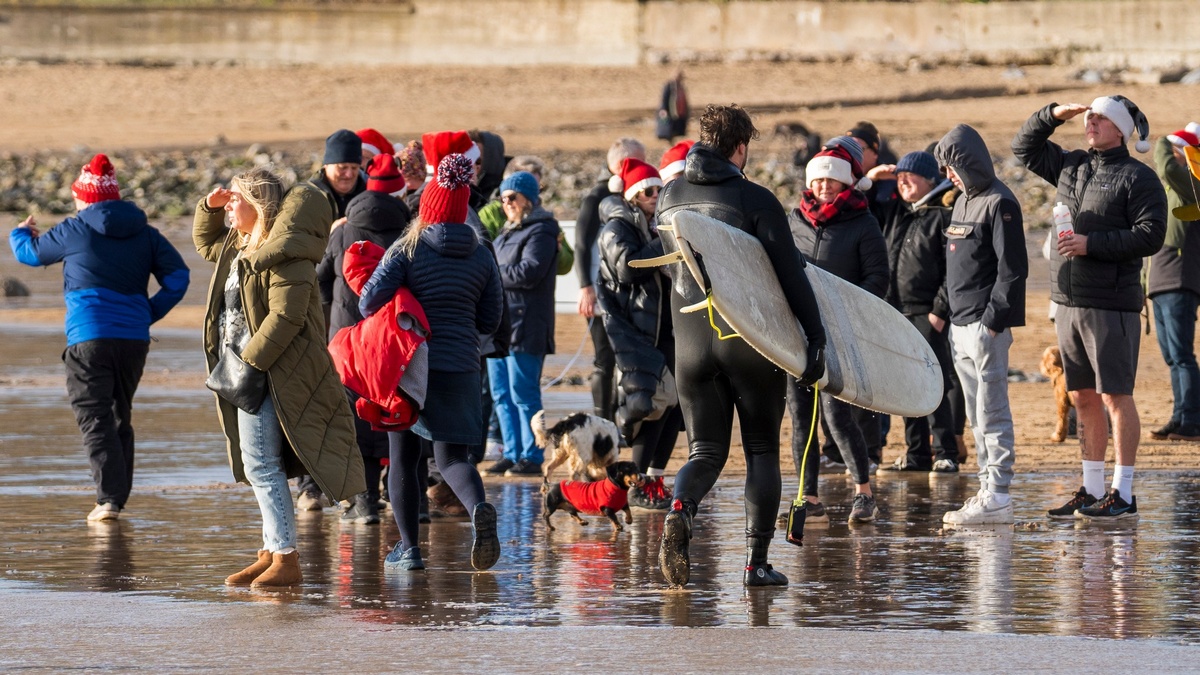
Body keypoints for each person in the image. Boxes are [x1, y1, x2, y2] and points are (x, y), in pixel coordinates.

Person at [656, 104, 825, 587]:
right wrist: (815, 337)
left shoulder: (670, 195)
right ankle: (755, 565)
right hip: (746, 341)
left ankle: (681, 508)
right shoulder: (756, 199)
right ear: (740, 148)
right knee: (761, 451)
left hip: (689, 343)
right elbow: (790, 274)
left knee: (705, 451)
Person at [194, 168, 364, 587]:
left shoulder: (285, 253)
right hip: (245, 368)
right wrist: (208, 207)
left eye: (236, 198)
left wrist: (249, 364)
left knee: (263, 466)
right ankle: (271, 550)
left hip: (270, 372)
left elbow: (286, 317)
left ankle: (286, 558)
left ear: (259, 205)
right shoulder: (240, 244)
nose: (230, 204)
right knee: (257, 465)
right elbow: (204, 243)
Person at [9, 153, 189, 521]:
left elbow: (28, 255)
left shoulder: (73, 229)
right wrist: (147, 313)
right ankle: (115, 500)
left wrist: (20, 231)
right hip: (133, 341)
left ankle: (108, 500)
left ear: (85, 198)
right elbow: (179, 278)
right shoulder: (147, 233)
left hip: (89, 338)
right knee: (119, 414)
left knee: (94, 416)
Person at [1012, 96, 1166, 520]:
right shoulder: (1071, 165)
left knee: (1115, 396)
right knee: (1081, 396)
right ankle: (1091, 487)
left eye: (1101, 118)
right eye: (1090, 116)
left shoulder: (1139, 177)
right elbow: (1022, 148)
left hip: (1111, 303)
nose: (1091, 122)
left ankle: (1124, 492)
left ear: (1120, 129)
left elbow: (1152, 235)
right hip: (1068, 300)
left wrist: (1090, 245)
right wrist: (1053, 114)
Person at [359, 154, 504, 571]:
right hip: (461, 365)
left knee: (403, 455)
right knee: (454, 458)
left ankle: (409, 549)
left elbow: (369, 300)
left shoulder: (407, 248)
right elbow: (490, 319)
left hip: (411, 366)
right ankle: (477, 508)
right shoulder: (482, 254)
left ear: (428, 206)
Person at [786, 139, 887, 524]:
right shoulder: (794, 220)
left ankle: (864, 493)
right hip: (796, 333)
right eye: (818, 180)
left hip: (841, 334)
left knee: (836, 414)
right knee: (800, 416)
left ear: (846, 184)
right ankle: (807, 499)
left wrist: (851, 312)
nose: (824, 186)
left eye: (832, 180)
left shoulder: (863, 223)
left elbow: (878, 278)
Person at [935, 123, 1027, 526]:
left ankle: (1000, 492)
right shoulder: (961, 203)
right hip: (960, 325)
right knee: (974, 413)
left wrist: (992, 322)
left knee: (992, 411)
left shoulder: (999, 202)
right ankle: (986, 488)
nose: (949, 176)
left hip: (985, 327)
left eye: (952, 167)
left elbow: (1013, 270)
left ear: (969, 161)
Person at [316, 153, 412, 524]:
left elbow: (322, 276)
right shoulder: (408, 233)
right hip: (392, 338)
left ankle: (363, 503)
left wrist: (334, 319)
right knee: (396, 415)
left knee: (354, 419)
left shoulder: (343, 229)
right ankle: (408, 503)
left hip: (348, 340)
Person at [597, 158, 682, 510]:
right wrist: (664, 241)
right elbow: (628, 268)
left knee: (674, 408)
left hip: (667, 328)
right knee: (650, 408)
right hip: (636, 331)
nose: (655, 195)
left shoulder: (651, 223)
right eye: (647, 191)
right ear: (631, 196)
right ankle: (638, 484)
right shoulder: (617, 227)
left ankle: (655, 479)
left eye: (659, 189)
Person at [874, 150, 960, 473]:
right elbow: (863, 203)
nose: (903, 181)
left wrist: (940, 310)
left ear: (929, 180)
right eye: (899, 177)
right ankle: (917, 454)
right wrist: (874, 178)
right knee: (905, 384)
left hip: (928, 313)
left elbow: (954, 269)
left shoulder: (942, 214)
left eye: (910, 176)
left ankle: (946, 453)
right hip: (897, 313)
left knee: (935, 382)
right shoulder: (898, 212)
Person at [483, 171, 560, 477]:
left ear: (528, 198)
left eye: (512, 197)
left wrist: (492, 273)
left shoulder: (541, 230)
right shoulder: (505, 232)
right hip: (500, 326)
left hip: (526, 324)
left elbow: (529, 272)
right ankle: (512, 451)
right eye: (503, 198)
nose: (507, 203)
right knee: (501, 393)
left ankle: (532, 454)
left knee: (523, 393)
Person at [575, 138, 647, 423]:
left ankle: (622, 418)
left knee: (625, 359)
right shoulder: (597, 197)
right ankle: (602, 420)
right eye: (639, 161)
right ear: (621, 165)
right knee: (604, 359)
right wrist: (585, 287)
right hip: (598, 291)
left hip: (623, 291)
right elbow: (581, 244)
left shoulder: (632, 195)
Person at [1147, 127, 1200, 442]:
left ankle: (1192, 420)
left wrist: (1162, 140)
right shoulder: (1172, 189)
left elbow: (1166, 165)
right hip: (1161, 279)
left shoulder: (1193, 184)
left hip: (1181, 278)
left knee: (1181, 354)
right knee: (1172, 356)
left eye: (1181, 149)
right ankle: (1181, 417)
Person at [309, 129, 368, 220]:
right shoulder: (309, 196)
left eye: (354, 168)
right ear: (326, 165)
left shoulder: (368, 197)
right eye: (342, 167)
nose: (349, 174)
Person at [656, 70, 689, 143]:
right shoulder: (669, 86)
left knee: (677, 129)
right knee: (669, 129)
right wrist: (664, 110)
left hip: (680, 111)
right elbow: (664, 98)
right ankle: (670, 142)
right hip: (670, 111)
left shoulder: (681, 86)